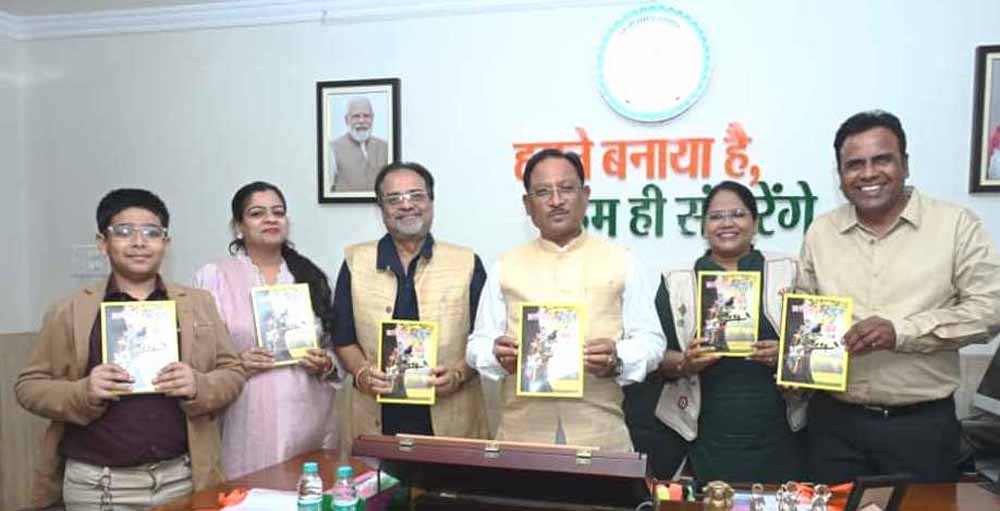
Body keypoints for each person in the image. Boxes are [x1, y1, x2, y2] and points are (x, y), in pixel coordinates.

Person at [799, 110, 1000, 483]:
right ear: (840, 175)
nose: (868, 173)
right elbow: (808, 314)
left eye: (882, 160)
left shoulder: (955, 225)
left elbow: (990, 309)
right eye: (854, 164)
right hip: (834, 427)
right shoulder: (821, 232)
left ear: (904, 164)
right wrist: (790, 358)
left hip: (921, 429)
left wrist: (902, 331)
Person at [15, 189, 245, 510]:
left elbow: (233, 373)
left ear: (166, 242)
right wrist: (83, 391)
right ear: (103, 242)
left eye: (151, 232)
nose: (139, 242)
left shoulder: (198, 303)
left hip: (183, 478)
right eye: (124, 232)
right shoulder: (69, 310)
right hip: (98, 486)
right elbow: (28, 387)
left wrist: (199, 384)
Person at [466, 148, 665, 451]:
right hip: (522, 436)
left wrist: (617, 358)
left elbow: (652, 341)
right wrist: (496, 354)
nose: (556, 200)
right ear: (527, 205)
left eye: (567, 189)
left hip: (601, 435)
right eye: (543, 192)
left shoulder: (622, 261)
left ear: (585, 196)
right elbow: (477, 344)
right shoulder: (505, 266)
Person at [630, 180, 806, 482]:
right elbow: (657, 354)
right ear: (704, 226)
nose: (727, 223)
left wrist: (787, 356)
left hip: (780, 430)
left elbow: (815, 348)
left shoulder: (788, 270)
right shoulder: (677, 279)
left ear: (755, 223)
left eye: (738, 214)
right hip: (701, 433)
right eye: (716, 216)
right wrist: (686, 363)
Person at [332, 161, 488, 449]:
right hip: (376, 415)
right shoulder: (356, 262)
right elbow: (343, 337)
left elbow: (484, 337)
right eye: (394, 199)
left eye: (416, 196)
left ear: (431, 201)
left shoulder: (466, 262)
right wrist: (362, 373)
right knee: (377, 479)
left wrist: (457, 375)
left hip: (451, 415)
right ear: (381, 208)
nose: (406, 205)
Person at [193, 181, 339, 479]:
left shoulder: (311, 276)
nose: (271, 219)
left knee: (308, 490)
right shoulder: (213, 277)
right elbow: (198, 355)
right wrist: (237, 364)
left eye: (278, 212)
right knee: (249, 491)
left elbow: (334, 347)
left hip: (308, 413)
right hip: (244, 414)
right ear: (238, 226)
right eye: (257, 213)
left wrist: (325, 363)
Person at [329, 97, 389, 192]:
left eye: (366, 116)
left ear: (372, 118)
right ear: (346, 120)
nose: (361, 121)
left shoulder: (385, 147)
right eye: (356, 116)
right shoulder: (333, 149)